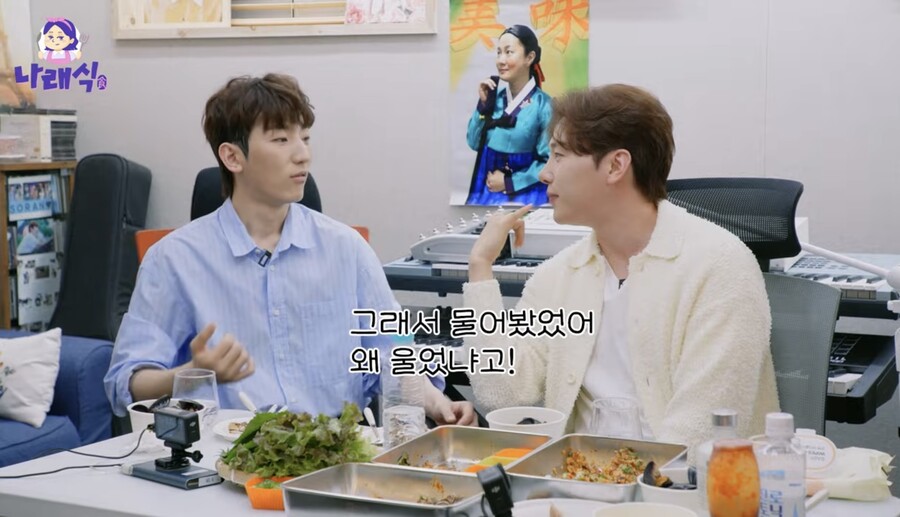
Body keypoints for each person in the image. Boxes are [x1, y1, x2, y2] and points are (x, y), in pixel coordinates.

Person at [104, 73, 475, 426]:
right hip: (226, 452)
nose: (302, 155)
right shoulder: (174, 259)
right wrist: (192, 373)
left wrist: (438, 403)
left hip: (337, 447)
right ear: (233, 157)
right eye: (281, 140)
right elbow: (126, 383)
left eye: (305, 138)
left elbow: (394, 356)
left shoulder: (347, 249)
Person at [463, 84, 779, 449]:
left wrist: (612, 479)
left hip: (679, 482)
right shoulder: (559, 275)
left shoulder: (720, 266)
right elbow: (502, 394)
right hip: (576, 475)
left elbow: (700, 434)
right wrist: (480, 268)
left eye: (559, 156)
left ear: (615, 165)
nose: (545, 174)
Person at [465, 25, 552, 206]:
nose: (501, 60)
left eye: (508, 52)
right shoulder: (493, 98)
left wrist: (509, 182)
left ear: (529, 57)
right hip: (486, 191)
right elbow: (474, 143)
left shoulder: (544, 105)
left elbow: (550, 160)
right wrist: (482, 107)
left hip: (526, 194)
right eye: (498, 53)